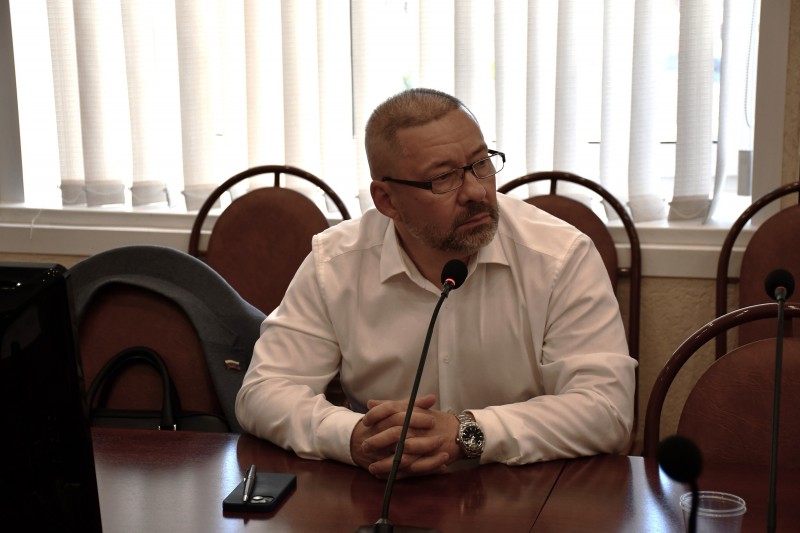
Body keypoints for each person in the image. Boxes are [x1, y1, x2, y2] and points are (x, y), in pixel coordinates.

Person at [235, 88, 636, 479]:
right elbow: (263, 391)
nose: (477, 191)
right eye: (444, 178)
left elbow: (607, 410)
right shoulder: (336, 263)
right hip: (386, 489)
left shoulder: (559, 257)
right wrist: (354, 436)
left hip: (525, 490)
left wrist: (468, 432)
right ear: (387, 200)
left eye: (481, 163)